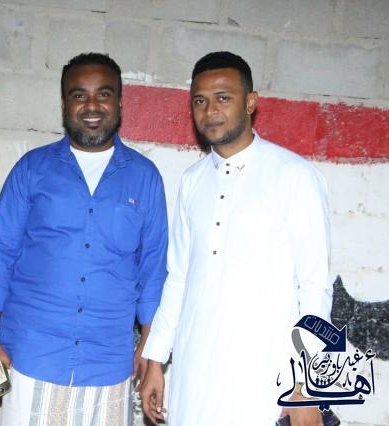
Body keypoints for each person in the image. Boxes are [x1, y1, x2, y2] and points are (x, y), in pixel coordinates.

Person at [0, 52, 168, 425]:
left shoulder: (145, 178)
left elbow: (152, 271)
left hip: (109, 364)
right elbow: (0, 256)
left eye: (103, 94)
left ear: (120, 103)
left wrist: (152, 351)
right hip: (33, 357)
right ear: (64, 104)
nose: (92, 106)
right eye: (79, 95)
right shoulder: (31, 170)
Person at [140, 51, 332, 426]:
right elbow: (178, 277)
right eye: (200, 100)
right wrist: (155, 360)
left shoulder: (294, 176)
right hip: (194, 380)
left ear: (250, 102)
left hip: (263, 383)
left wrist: (306, 386)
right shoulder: (192, 181)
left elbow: (315, 287)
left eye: (223, 98)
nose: (210, 110)